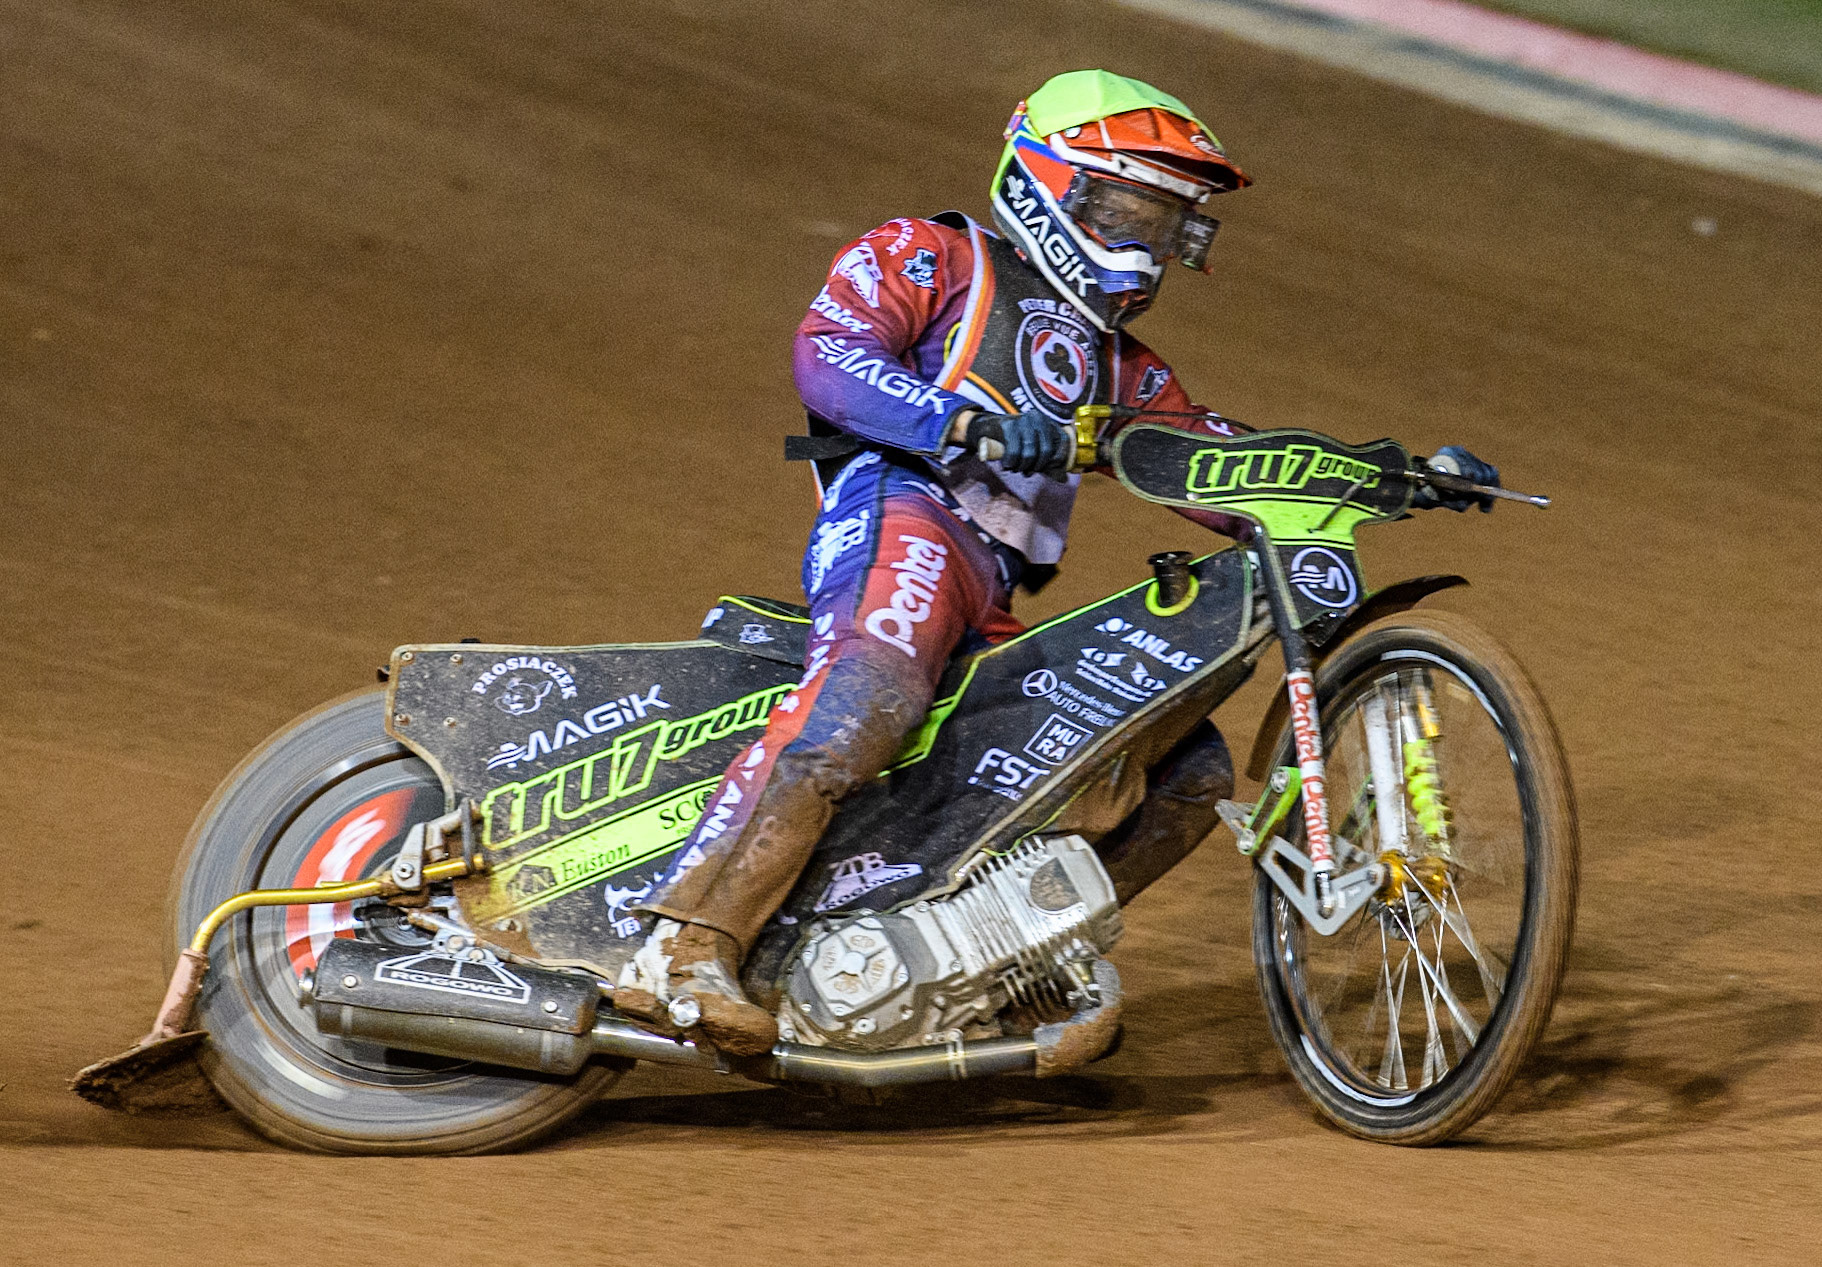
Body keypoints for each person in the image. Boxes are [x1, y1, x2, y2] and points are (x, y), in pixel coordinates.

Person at [614, 69, 1498, 1053]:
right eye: (1129, 211)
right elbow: (830, 355)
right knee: (872, 691)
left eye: (1169, 225)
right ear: (1047, 184)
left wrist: (1388, 478)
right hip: (904, 517)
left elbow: (1220, 461)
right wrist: (963, 422)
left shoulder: (1120, 364)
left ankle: (996, 966)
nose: (1148, 246)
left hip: (991, 587)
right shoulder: (931, 253)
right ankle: (685, 944)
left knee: (1185, 767)